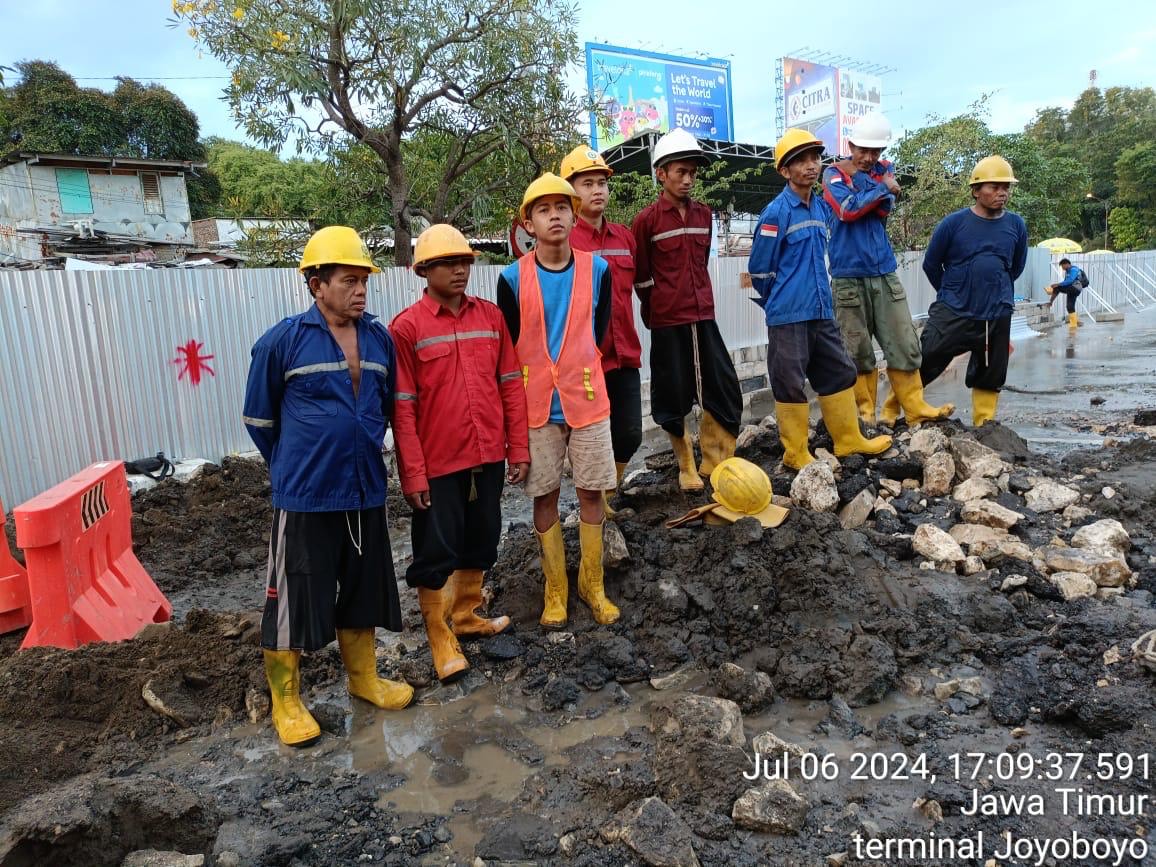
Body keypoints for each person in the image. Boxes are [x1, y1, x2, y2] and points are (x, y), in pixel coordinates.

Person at [243, 226, 413, 747]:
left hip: (364, 489)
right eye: (348, 280)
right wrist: (299, 465)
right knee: (293, 598)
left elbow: (385, 410)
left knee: (364, 591)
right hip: (306, 496)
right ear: (316, 284)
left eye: (364, 280)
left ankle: (363, 679)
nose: (360, 290)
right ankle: (287, 699)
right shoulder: (283, 341)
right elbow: (259, 420)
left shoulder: (380, 340)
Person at [390, 225, 530, 682]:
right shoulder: (406, 329)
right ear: (424, 270)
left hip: (487, 455)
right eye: (449, 263)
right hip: (438, 464)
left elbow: (511, 386)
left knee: (483, 535)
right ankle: (438, 635)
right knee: (436, 550)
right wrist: (412, 474)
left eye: (465, 261)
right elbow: (402, 409)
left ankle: (467, 615)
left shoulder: (490, 317)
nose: (460, 270)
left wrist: (518, 448)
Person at [497, 173, 620, 628]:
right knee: (544, 496)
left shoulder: (598, 270)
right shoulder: (511, 279)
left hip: (587, 400)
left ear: (573, 215)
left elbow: (599, 328)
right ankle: (556, 589)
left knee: (592, 491)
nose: (556, 216)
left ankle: (592, 583)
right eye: (544, 210)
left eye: (562, 207)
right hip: (536, 407)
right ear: (527, 223)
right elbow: (510, 346)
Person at [748, 128, 892, 470]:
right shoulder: (776, 213)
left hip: (821, 310)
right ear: (785, 171)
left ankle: (847, 438)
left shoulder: (820, 208)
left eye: (814, 158)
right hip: (788, 314)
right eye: (801, 161)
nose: (811, 166)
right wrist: (781, 299)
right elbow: (759, 270)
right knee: (790, 380)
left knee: (839, 371)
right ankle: (796, 452)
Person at [822, 113, 953, 427]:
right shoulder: (832, 173)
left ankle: (914, 406)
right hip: (847, 275)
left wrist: (875, 191)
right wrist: (882, 188)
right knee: (857, 349)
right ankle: (865, 416)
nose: (869, 158)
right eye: (863, 150)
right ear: (850, 145)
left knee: (904, 341)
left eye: (875, 152)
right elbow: (846, 210)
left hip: (883, 270)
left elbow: (883, 208)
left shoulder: (884, 169)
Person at [631, 128, 742, 492]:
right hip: (667, 320)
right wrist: (657, 310)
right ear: (661, 173)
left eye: (693, 172)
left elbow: (701, 260)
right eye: (681, 171)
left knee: (720, 384)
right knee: (673, 392)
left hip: (703, 315)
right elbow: (642, 276)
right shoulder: (645, 221)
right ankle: (686, 464)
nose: (688, 179)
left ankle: (716, 460)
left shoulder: (704, 214)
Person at [561, 145, 643, 516]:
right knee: (591, 438)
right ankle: (593, 505)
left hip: (624, 351)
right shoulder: (563, 243)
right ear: (570, 191)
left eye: (601, 183)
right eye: (587, 183)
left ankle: (606, 493)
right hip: (584, 359)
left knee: (629, 433)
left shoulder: (624, 238)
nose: (597, 190)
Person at [918, 155, 1028, 426]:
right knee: (928, 356)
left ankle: (984, 425)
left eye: (1006, 187)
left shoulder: (1016, 225)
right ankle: (896, 410)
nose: (1002, 193)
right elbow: (932, 264)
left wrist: (994, 290)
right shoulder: (953, 224)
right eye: (994, 187)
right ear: (976, 190)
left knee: (992, 370)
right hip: (954, 308)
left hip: (997, 311)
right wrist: (952, 293)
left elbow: (1015, 267)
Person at [1047, 257, 1084, 327]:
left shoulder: (1073, 269)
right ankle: (1074, 324)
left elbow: (1070, 280)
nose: (1062, 268)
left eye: (1062, 266)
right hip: (1071, 289)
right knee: (1069, 306)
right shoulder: (1068, 271)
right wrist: (1059, 284)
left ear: (1067, 264)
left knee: (1057, 288)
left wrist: (1058, 284)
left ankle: (1050, 302)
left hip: (1075, 288)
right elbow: (1065, 282)